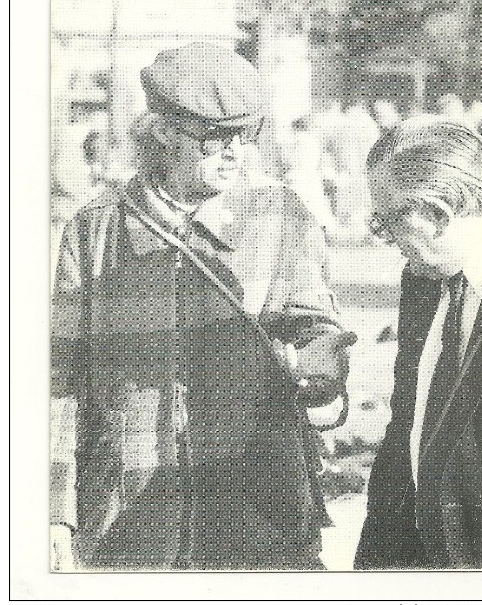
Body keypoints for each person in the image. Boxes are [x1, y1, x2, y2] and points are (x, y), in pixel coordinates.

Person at [50, 42, 354, 571]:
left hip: (260, 508)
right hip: (129, 518)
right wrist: (54, 509)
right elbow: (59, 382)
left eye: (246, 134)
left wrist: (324, 359)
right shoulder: (94, 230)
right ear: (164, 131)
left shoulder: (281, 215)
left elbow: (314, 319)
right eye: (216, 138)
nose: (236, 151)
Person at [354, 116, 482, 570]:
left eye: (388, 221)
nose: (388, 240)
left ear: (437, 213)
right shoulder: (423, 281)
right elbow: (403, 435)